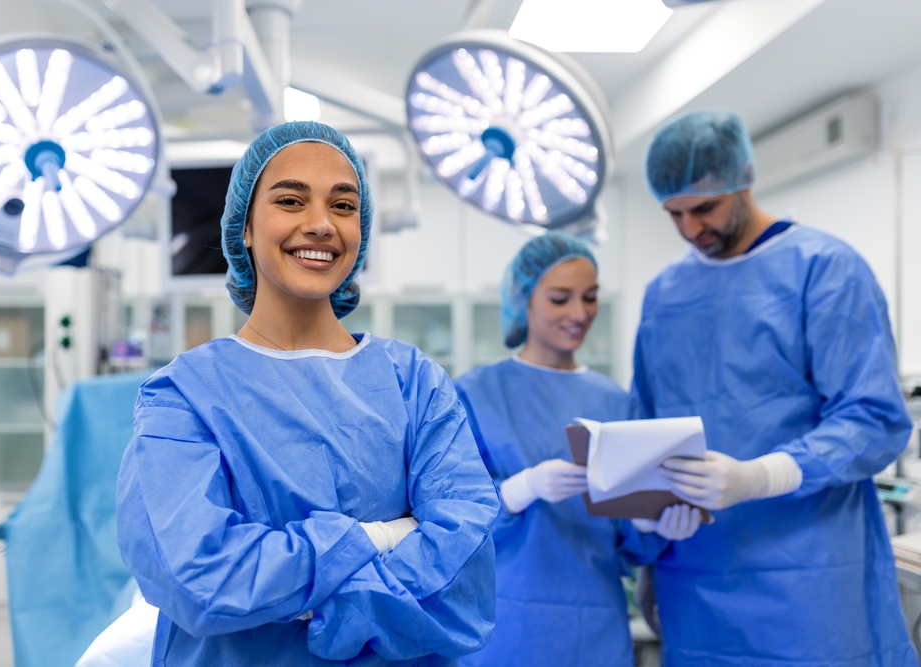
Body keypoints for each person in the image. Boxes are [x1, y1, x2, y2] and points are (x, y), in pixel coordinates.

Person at [116, 121, 500, 666]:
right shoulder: (185, 395)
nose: (320, 224)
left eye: (343, 206)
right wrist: (378, 538)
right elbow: (199, 578)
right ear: (245, 228)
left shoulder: (413, 381)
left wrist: (301, 597)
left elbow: (467, 579)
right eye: (292, 200)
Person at [634, 109, 917, 665]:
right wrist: (647, 529)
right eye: (674, 213)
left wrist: (760, 476)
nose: (691, 229)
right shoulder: (665, 295)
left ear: (743, 177)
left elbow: (874, 417)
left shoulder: (825, 269)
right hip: (694, 580)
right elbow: (647, 426)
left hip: (810, 585)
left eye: (705, 208)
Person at [454, 232, 703, 667]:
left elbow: (629, 541)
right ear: (523, 299)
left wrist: (651, 524)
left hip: (595, 626)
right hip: (505, 624)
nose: (579, 313)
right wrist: (520, 489)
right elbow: (448, 517)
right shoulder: (476, 393)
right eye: (559, 298)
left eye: (590, 298)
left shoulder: (616, 401)